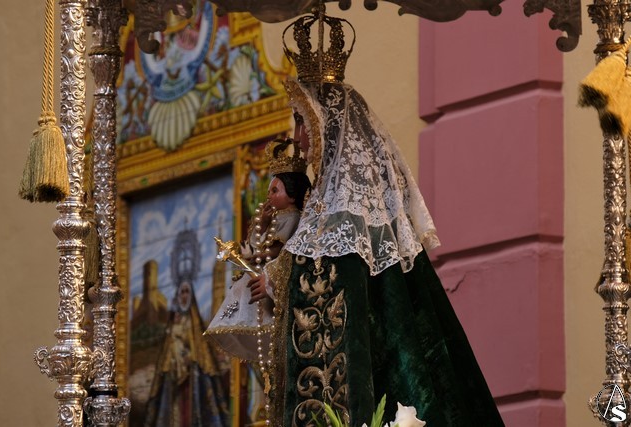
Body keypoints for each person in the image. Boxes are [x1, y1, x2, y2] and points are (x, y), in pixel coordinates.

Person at [249, 9, 506, 427]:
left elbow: (334, 293)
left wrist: (278, 278)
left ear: (328, 124)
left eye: (302, 121)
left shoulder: (351, 212)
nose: (298, 138)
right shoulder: (326, 203)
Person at [205, 138, 312, 362]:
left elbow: (277, 251)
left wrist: (255, 256)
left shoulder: (292, 217)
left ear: (292, 195)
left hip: (273, 275)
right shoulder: (275, 218)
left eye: (275, 190)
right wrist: (262, 225)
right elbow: (256, 243)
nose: (269, 196)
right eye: (269, 191)